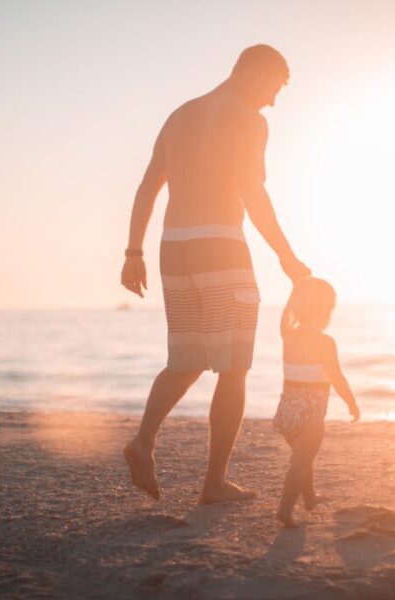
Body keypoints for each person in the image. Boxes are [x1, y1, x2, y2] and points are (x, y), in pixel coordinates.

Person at [120, 44, 311, 504]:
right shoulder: (248, 119)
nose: (272, 102)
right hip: (221, 247)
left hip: (174, 248)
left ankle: (143, 441)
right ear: (255, 73)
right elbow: (254, 194)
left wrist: (132, 252)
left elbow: (149, 185)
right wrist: (287, 256)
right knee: (234, 367)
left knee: (185, 361)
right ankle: (214, 485)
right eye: (274, 88)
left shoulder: (180, 115)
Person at [273, 278, 359, 527]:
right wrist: (351, 402)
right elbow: (336, 376)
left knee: (303, 456)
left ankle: (309, 498)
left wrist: (295, 288)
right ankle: (285, 509)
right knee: (300, 463)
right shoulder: (325, 342)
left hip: (287, 412)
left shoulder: (288, 335)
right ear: (325, 312)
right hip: (311, 414)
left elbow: (285, 314)